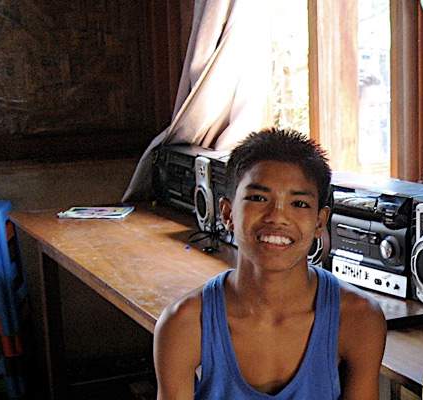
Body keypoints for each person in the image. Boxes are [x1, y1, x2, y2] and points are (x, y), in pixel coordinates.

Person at [154, 128, 387, 399]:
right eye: (258, 198)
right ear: (227, 213)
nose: (278, 217)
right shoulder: (184, 322)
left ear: (320, 223)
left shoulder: (359, 318)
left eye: (298, 203)